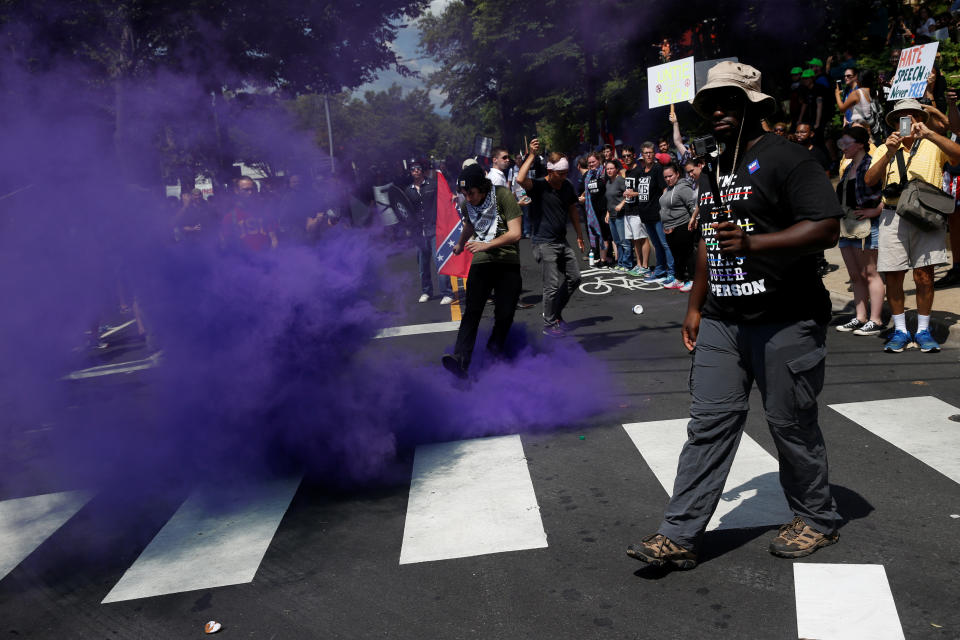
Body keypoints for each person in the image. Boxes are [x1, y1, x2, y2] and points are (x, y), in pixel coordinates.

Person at [626, 61, 843, 570]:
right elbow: (710, 243)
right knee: (709, 423)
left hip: (786, 317)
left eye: (729, 102)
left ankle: (817, 518)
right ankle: (678, 535)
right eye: (710, 104)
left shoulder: (788, 158)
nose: (718, 111)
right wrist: (695, 305)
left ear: (755, 105)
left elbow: (828, 226)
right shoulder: (717, 168)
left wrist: (756, 242)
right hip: (724, 319)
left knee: (790, 424)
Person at [864, 98, 960, 353]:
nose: (908, 121)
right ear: (894, 123)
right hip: (893, 216)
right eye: (901, 117)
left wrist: (930, 133)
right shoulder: (886, 147)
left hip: (927, 217)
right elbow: (870, 180)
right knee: (894, 276)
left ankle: (924, 330)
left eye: (913, 116)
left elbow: (957, 154)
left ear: (921, 119)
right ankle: (900, 330)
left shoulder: (933, 142)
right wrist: (889, 153)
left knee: (925, 276)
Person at [441, 164, 523, 378]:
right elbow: (469, 224)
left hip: (507, 261)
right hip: (482, 262)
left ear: (482, 187)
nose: (468, 198)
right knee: (472, 312)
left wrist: (486, 244)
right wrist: (460, 245)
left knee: (504, 315)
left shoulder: (503, 196)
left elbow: (516, 234)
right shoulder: (468, 205)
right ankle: (460, 359)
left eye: (471, 193)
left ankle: (492, 356)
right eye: (464, 194)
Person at [516, 139, 585, 337]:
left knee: (575, 277)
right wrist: (530, 155)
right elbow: (520, 179)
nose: (564, 177)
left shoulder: (567, 185)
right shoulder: (539, 186)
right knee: (551, 284)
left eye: (565, 173)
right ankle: (549, 323)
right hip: (543, 242)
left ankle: (555, 313)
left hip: (561, 240)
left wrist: (580, 235)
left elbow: (572, 208)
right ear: (550, 171)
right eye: (560, 174)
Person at [833, 126, 885, 336]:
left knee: (870, 273)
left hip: (867, 226)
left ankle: (876, 319)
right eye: (841, 143)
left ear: (860, 144)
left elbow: (888, 189)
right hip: (847, 225)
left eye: (847, 142)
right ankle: (860, 316)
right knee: (855, 275)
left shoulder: (872, 163)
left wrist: (876, 210)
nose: (843, 147)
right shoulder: (847, 167)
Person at [405, 160, 455, 305]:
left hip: (434, 228)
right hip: (419, 232)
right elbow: (406, 211)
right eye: (413, 169)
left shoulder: (433, 184)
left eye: (418, 168)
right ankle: (426, 291)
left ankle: (447, 292)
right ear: (410, 172)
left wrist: (451, 197)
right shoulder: (408, 190)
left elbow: (445, 197)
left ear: (422, 170)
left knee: (440, 261)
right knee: (423, 265)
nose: (416, 171)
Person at [626, 142, 675, 285]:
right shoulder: (642, 172)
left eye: (650, 152)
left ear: (654, 154)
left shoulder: (658, 169)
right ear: (642, 154)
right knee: (656, 244)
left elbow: (664, 190)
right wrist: (632, 193)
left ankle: (672, 272)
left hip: (658, 214)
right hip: (645, 214)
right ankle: (660, 270)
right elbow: (643, 191)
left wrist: (665, 210)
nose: (648, 155)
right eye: (645, 153)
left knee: (665, 244)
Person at [658, 162, 698, 292]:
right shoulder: (669, 189)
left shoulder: (683, 187)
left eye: (670, 176)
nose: (668, 179)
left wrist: (694, 220)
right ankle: (679, 279)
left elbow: (692, 205)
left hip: (682, 225)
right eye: (666, 177)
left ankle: (692, 280)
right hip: (669, 227)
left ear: (677, 174)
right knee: (677, 255)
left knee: (687, 254)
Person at [220, 177, 278, 252]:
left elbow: (273, 239)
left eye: (251, 189)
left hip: (265, 259)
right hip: (242, 261)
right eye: (245, 190)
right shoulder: (230, 217)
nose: (250, 192)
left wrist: (271, 256)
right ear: (236, 191)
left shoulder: (265, 212)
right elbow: (225, 243)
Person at [580, 153, 613, 267]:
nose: (591, 164)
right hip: (593, 210)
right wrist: (583, 197)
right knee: (599, 234)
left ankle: (607, 259)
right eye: (589, 162)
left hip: (604, 209)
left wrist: (608, 211)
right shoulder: (589, 175)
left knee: (606, 235)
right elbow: (587, 190)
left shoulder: (604, 173)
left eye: (593, 162)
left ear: (599, 161)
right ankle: (604, 257)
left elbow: (610, 191)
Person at [603, 160, 634, 272]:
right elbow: (609, 200)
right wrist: (607, 213)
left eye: (611, 168)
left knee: (624, 241)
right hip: (612, 216)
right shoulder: (608, 182)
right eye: (607, 169)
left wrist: (621, 204)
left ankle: (627, 264)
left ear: (616, 169)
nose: (609, 171)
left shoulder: (620, 180)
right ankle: (620, 263)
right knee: (617, 242)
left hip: (621, 216)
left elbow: (630, 193)